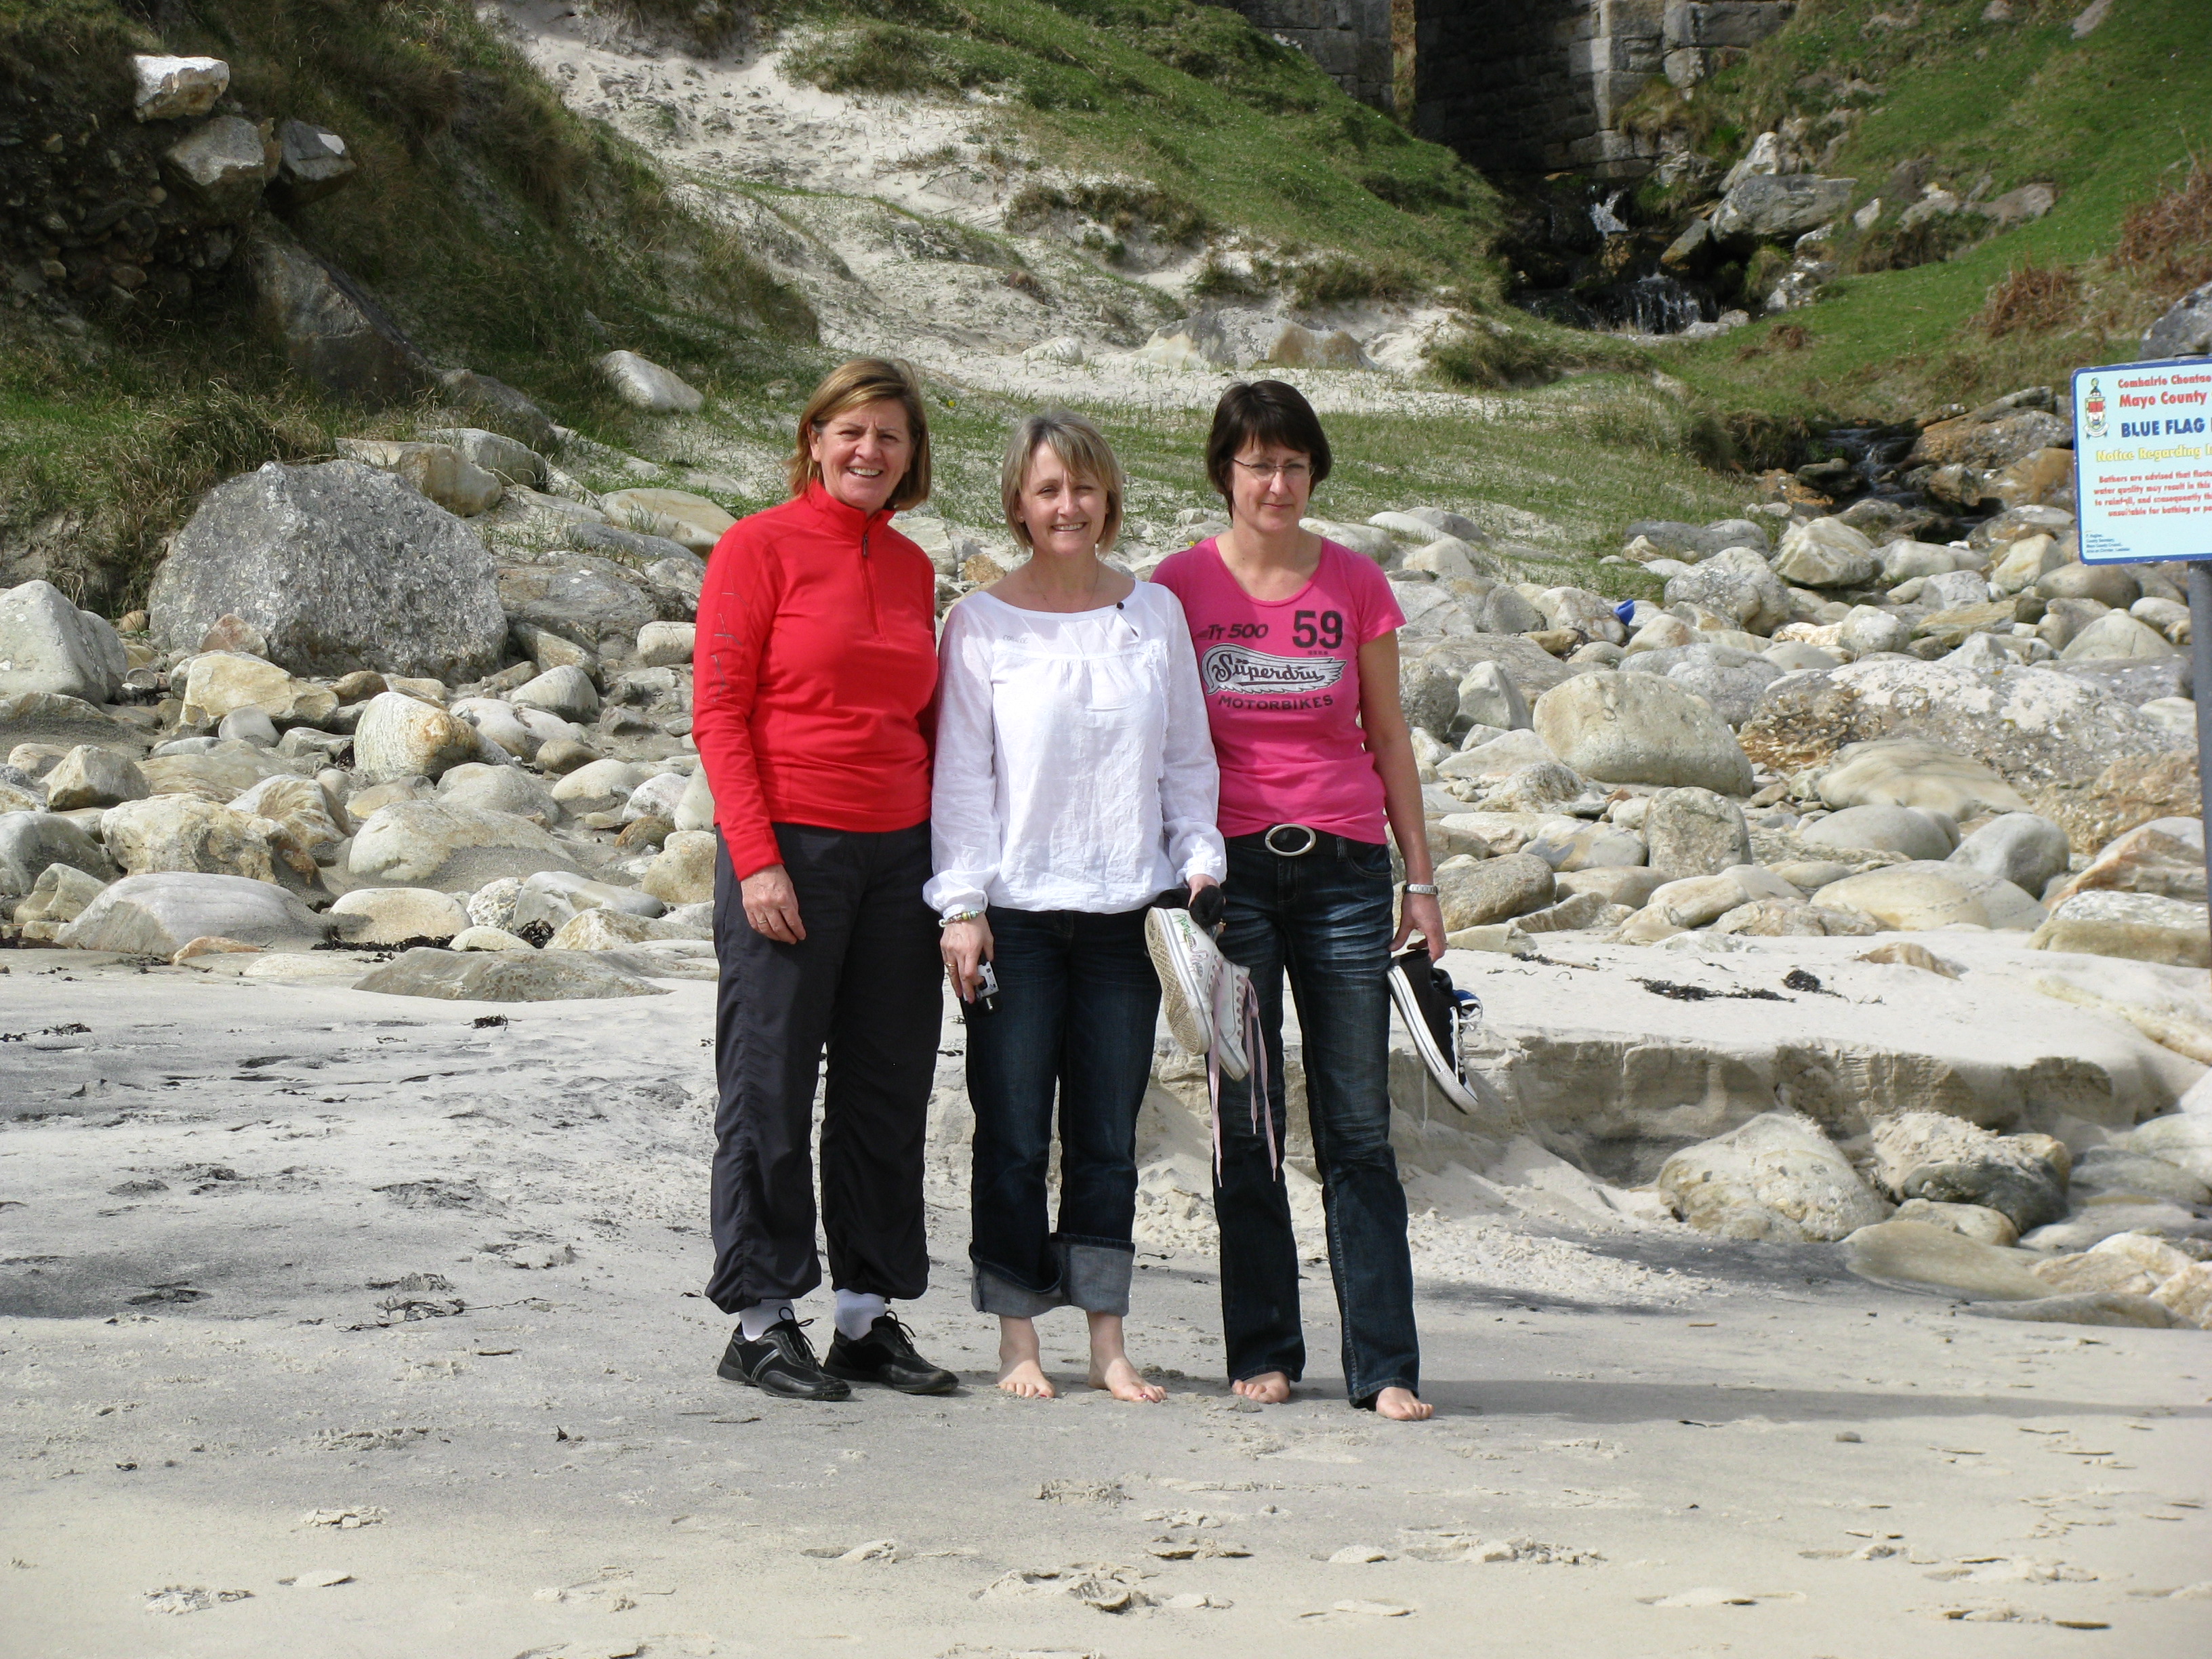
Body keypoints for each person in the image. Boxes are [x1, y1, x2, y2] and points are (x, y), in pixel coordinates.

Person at [1151, 380, 1446, 1422]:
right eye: (1256, 464)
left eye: (1293, 464)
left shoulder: (1357, 584)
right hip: (1228, 882)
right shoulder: (1176, 587)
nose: (1276, 483)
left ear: (1313, 471)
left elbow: (1391, 735)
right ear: (1224, 473)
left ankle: (1386, 1364)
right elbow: (1154, 739)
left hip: (1347, 874)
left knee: (1358, 1126)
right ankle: (1264, 1347)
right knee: (1248, 1117)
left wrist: (1422, 877)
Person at [930, 410, 1225, 1404]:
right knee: (1012, 1131)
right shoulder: (979, 626)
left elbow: (1186, 754)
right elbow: (962, 782)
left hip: (1123, 917)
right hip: (1014, 914)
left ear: (1110, 500)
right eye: (1050, 490)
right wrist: (961, 906)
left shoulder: (1154, 617)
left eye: (1086, 489)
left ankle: (1108, 1341)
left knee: (1106, 1134)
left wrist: (1197, 853)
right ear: (1018, 501)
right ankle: (1019, 1339)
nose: (1070, 507)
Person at [692, 357, 958, 1401]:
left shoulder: (910, 568)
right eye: (851, 433)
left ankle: (864, 1317)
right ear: (814, 439)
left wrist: (950, 872)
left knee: (886, 1089)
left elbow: (927, 723)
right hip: (791, 848)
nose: (868, 452)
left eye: (889, 437)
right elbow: (720, 713)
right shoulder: (756, 547)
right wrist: (756, 859)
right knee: (767, 1087)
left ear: (911, 457)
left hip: (903, 856)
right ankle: (760, 1320)